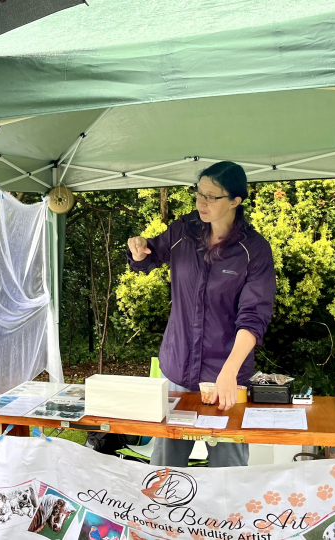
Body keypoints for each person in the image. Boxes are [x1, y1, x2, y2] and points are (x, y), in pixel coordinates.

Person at [126, 161, 275, 468]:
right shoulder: (184, 230)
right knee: (164, 470)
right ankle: (163, 517)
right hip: (177, 368)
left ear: (236, 201)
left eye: (212, 196)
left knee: (228, 471)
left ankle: (226, 517)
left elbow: (254, 316)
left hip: (227, 374)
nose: (201, 203)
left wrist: (229, 373)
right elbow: (150, 254)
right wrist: (139, 251)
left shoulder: (255, 250)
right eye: (198, 194)